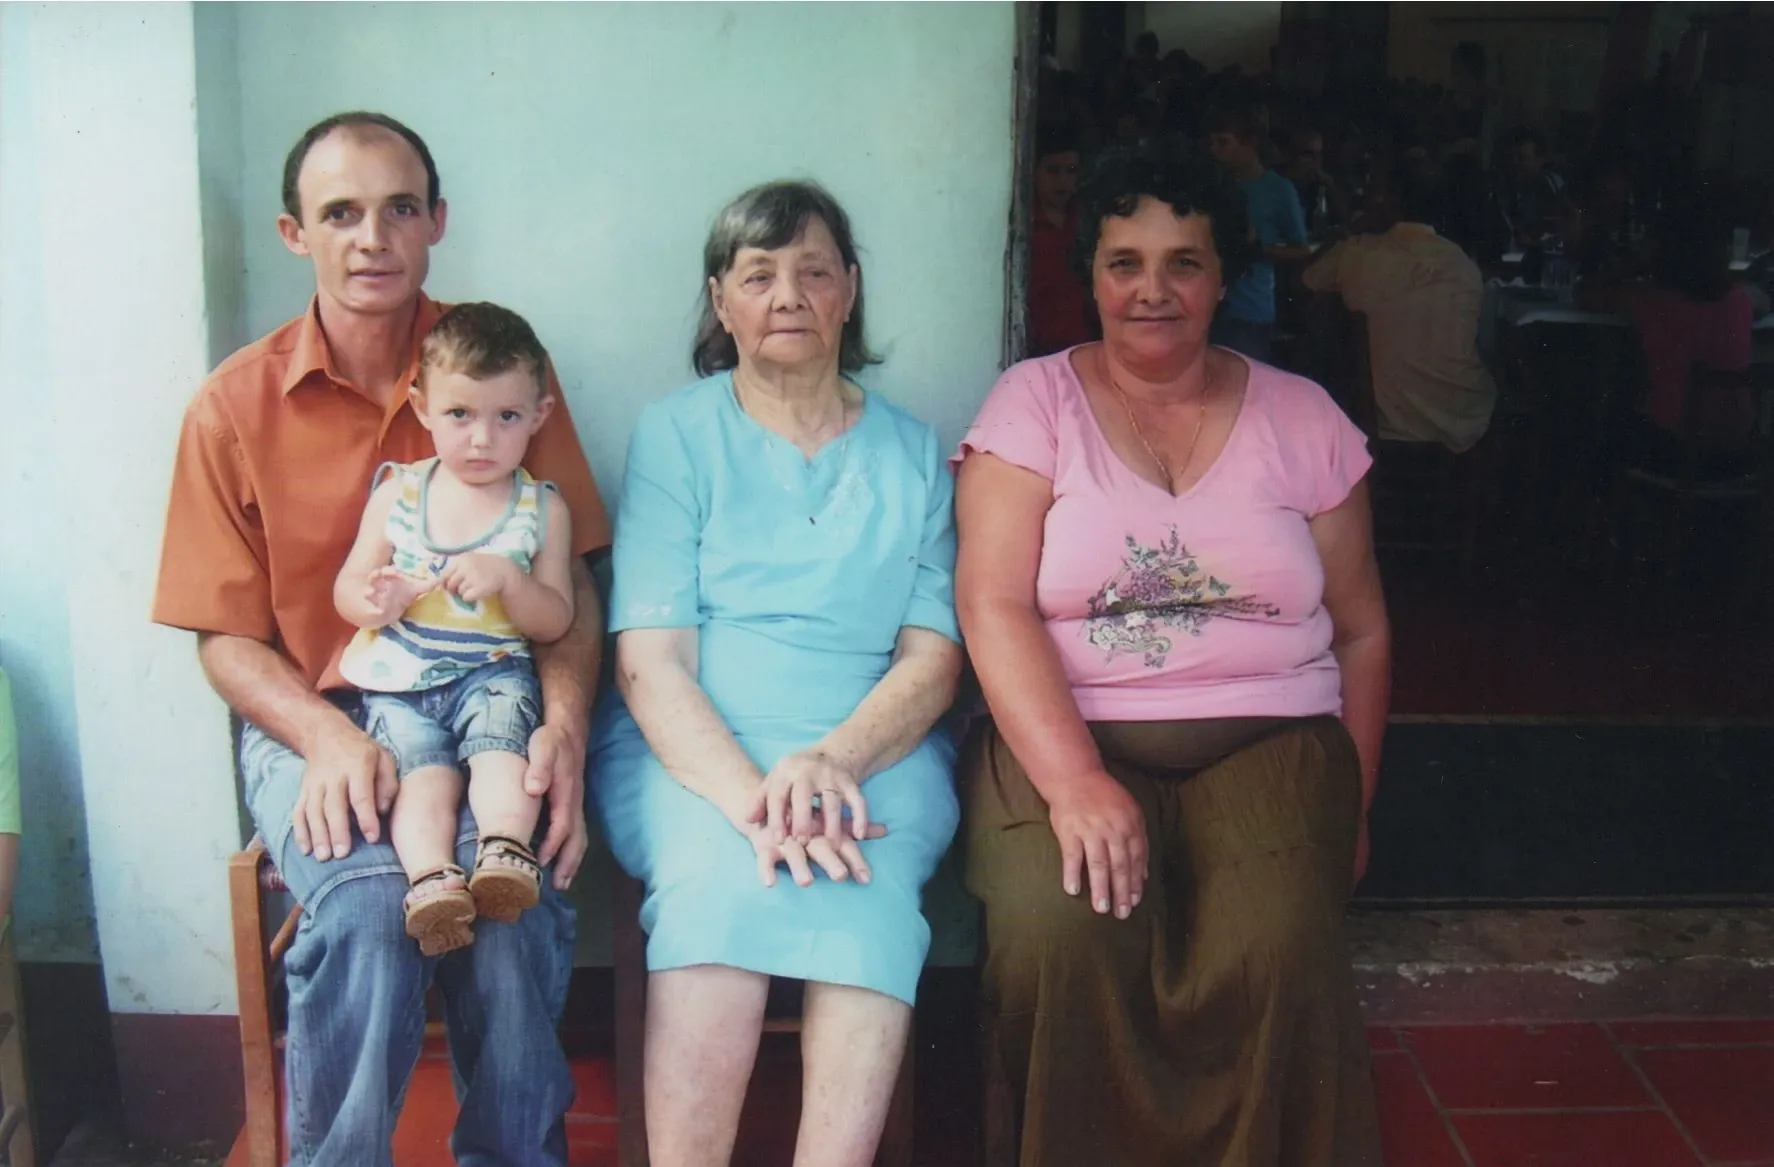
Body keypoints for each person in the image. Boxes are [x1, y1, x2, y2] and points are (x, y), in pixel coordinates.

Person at [153, 111, 610, 1165]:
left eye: (399, 208)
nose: (372, 238)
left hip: (489, 700)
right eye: (340, 214)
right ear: (293, 233)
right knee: (367, 910)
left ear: (436, 221)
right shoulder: (231, 408)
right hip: (317, 713)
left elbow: (572, 587)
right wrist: (325, 736)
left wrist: (567, 728)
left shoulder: (496, 368)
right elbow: (224, 639)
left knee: (508, 896)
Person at [954, 143, 1389, 1165]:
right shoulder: (1033, 403)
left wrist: (1357, 806)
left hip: (1270, 744)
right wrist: (1073, 781)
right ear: (1091, 275)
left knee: (1276, 945)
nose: (1152, 290)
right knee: (1059, 935)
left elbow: (1363, 628)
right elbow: (991, 601)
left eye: (1183, 262)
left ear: (1224, 277)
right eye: (1124, 263)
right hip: (1068, 736)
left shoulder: (1304, 418)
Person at [590, 180, 964, 1166]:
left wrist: (835, 762)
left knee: (869, 888)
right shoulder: (676, 434)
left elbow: (933, 660)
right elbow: (650, 664)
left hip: (874, 748)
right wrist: (757, 802)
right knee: (718, 888)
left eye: (813, 271)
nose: (788, 295)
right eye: (758, 276)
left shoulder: (913, 451)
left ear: (850, 289)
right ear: (721, 302)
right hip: (692, 749)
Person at [332, 303, 577, 955]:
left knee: (503, 754)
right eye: (460, 415)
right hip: (403, 679)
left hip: (492, 671)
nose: (481, 439)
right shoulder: (400, 493)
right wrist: (378, 600)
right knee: (422, 777)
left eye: (507, 417)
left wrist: (511, 581)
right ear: (422, 407)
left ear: (539, 415)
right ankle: (433, 881)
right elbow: (348, 588)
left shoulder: (540, 508)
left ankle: (504, 853)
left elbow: (557, 617)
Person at [1304, 162, 1498, 452]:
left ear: (1386, 201)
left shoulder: (1355, 253)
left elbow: (1306, 280)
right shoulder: (1462, 264)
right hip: (1460, 418)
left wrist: (1348, 232)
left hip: (1378, 420)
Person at [1578, 193, 1756, 472]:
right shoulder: (1739, 300)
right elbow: (1760, 299)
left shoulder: (1651, 301)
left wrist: (1633, 262)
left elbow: (1583, 293)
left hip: (1675, 451)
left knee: (1610, 411)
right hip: (1737, 452)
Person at [1207, 101, 1312, 362]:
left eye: (1223, 142)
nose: (1214, 150)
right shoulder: (1212, 186)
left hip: (1250, 310)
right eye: (1213, 142)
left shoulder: (1279, 190)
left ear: (1250, 143)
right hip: (1207, 307)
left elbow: (1301, 249)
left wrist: (1260, 247)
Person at [1028, 124, 1092, 357]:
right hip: (1034, 347)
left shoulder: (1087, 222)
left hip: (1081, 344)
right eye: (1053, 171)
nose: (1063, 180)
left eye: (1071, 171)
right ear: (1033, 172)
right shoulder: (1023, 226)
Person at [1501, 125, 1567, 247]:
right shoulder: (1507, 186)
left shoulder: (1550, 186)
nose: (1514, 162)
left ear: (1539, 160)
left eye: (1522, 158)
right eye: (1511, 157)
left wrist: (1534, 242)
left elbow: (1562, 231)